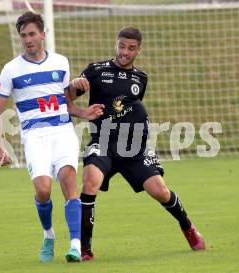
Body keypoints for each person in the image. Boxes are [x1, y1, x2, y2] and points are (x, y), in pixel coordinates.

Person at [66, 27, 206, 261]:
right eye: (122, 46)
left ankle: (188, 227)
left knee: (160, 191)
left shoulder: (141, 78)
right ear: (116, 44)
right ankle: (85, 249)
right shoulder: (95, 71)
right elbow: (67, 97)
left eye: (131, 48)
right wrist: (73, 86)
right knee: (90, 182)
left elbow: (133, 106)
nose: (125, 52)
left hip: (133, 147)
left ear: (139, 50)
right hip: (103, 141)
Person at [0, 11, 103, 263]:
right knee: (43, 190)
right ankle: (49, 236)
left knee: (68, 182)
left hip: (62, 131)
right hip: (34, 135)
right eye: (23, 36)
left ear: (43, 34)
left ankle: (75, 245)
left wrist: (84, 113)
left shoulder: (61, 63)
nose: (28, 39)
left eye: (32, 34)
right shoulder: (11, 70)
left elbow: (66, 105)